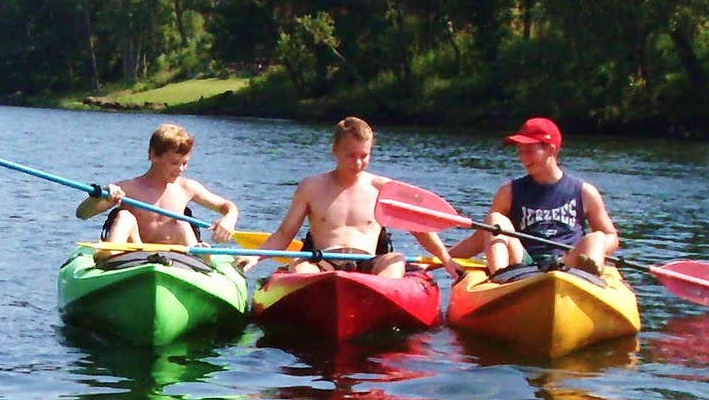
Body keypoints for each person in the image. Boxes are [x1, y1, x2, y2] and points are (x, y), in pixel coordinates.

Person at [246, 116, 456, 278]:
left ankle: (380, 299)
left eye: (364, 156)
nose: (357, 163)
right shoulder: (310, 187)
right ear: (335, 150)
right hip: (322, 263)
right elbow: (284, 234)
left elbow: (418, 227)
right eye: (351, 155)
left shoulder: (383, 189)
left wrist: (446, 259)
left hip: (369, 265)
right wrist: (254, 256)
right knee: (299, 264)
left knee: (396, 259)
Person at [449, 117, 619, 276]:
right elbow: (482, 237)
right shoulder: (508, 192)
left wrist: (598, 248)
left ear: (551, 150)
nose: (523, 158)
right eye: (520, 151)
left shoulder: (584, 191)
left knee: (597, 237)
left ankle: (587, 280)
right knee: (495, 219)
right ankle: (499, 279)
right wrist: (442, 258)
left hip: (568, 263)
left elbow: (611, 236)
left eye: (529, 151)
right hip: (524, 264)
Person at [75, 122, 238, 247]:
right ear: (153, 155)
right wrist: (103, 195)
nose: (180, 169)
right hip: (134, 255)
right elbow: (82, 213)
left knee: (182, 223)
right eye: (175, 163)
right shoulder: (128, 189)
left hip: (175, 259)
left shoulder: (187, 188)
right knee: (124, 217)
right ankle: (108, 254)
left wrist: (229, 219)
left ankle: (199, 257)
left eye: (185, 163)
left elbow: (226, 205)